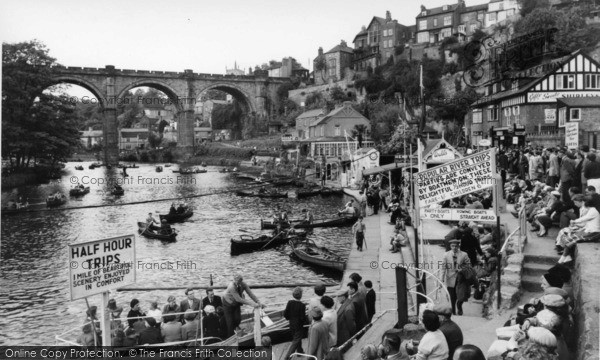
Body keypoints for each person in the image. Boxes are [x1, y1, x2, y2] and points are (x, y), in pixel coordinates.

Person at [441, 239, 471, 315]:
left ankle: (459, 305)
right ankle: (453, 311)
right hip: (450, 278)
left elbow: (469, 265)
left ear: (458, 246)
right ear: (450, 246)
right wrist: (442, 278)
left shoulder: (464, 254)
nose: (454, 248)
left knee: (461, 296)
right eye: (452, 246)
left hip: (461, 278)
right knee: (452, 296)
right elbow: (443, 267)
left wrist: (461, 269)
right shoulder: (446, 255)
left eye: (456, 246)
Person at [283, 287, 308, 359]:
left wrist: (289, 318)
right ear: (301, 295)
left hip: (291, 324)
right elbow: (302, 317)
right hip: (299, 325)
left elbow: (285, 314)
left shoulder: (290, 302)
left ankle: (299, 351)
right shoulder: (302, 305)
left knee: (296, 338)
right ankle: (287, 357)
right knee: (296, 340)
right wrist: (305, 321)